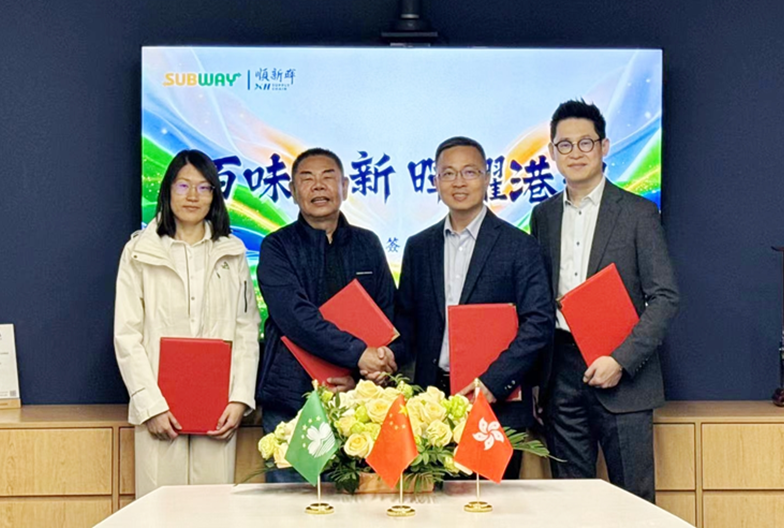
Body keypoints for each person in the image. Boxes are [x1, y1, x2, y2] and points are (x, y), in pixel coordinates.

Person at [530, 100, 679, 502]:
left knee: (634, 501)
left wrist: (621, 360)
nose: (575, 153)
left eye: (585, 143)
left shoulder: (638, 213)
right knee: (571, 501)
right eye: (564, 145)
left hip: (624, 373)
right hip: (561, 370)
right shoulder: (543, 216)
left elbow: (665, 297)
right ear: (552, 153)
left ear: (604, 146)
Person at [393, 136, 554, 479]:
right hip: (431, 404)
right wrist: (382, 359)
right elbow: (406, 322)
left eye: (469, 172)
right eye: (448, 173)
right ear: (435, 182)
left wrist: (494, 383)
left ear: (487, 178)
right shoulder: (419, 247)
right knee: (436, 503)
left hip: (496, 401)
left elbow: (538, 322)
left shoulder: (519, 246)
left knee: (491, 504)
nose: (459, 182)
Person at [113, 149, 260, 498]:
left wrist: (239, 399)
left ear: (215, 196)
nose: (193, 196)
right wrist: (151, 405)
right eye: (183, 185)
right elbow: (127, 335)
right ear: (167, 190)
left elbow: (246, 329)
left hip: (218, 407)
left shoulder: (232, 252)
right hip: (160, 407)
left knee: (212, 508)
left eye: (204, 187)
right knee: (160, 509)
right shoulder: (139, 251)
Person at [256, 148, 398, 481]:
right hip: (293, 400)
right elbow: (295, 317)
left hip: (359, 403)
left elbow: (389, 316)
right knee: (290, 502)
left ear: (345, 187)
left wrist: (367, 372)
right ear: (293, 191)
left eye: (328, 176)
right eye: (307, 178)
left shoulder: (367, 244)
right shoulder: (277, 246)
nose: (318, 185)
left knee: (356, 502)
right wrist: (358, 354)